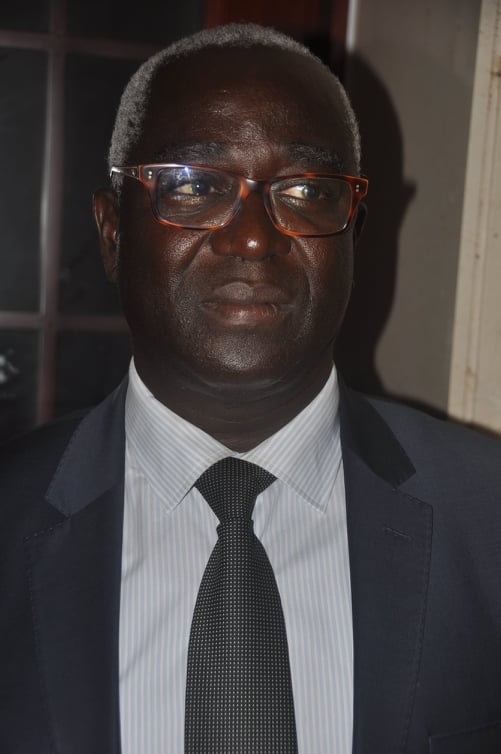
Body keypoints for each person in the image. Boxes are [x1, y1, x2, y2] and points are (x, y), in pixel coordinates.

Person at [1, 22, 500, 754]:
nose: (254, 238)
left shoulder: (486, 519)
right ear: (112, 232)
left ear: (353, 234)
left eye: (305, 191)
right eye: (195, 185)